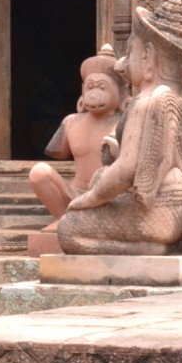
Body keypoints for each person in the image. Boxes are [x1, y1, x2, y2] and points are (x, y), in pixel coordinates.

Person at [57, 0, 182, 255]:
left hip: (153, 216)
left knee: (69, 228)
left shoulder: (144, 103)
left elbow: (127, 170)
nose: (122, 65)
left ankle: (149, 248)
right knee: (100, 177)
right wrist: (118, 152)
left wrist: (88, 199)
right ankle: (158, 244)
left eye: (130, 53)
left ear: (148, 55)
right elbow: (157, 157)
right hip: (178, 214)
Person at [29, 45, 126, 232]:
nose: (94, 93)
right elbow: (58, 152)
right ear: (82, 91)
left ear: (120, 94)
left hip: (107, 198)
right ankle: (62, 218)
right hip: (74, 196)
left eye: (102, 87)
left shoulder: (125, 123)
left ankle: (87, 222)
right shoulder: (71, 122)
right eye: (90, 87)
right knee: (39, 172)